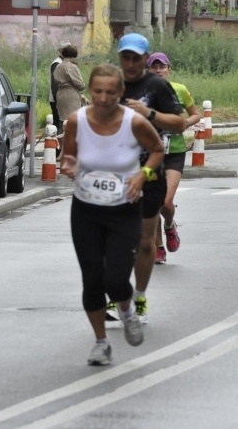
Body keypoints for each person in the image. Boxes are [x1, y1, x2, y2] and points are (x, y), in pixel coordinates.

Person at [59, 63, 165, 366]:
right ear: (89, 91)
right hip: (86, 210)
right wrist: (68, 165)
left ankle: (127, 311)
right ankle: (101, 342)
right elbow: (70, 156)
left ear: (120, 92)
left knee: (116, 278)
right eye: (97, 92)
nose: (103, 98)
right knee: (92, 280)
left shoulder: (134, 122)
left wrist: (142, 175)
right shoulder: (76, 120)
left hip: (124, 210)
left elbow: (157, 150)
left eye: (110, 92)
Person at [117, 33, 185, 324]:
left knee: (144, 243)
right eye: (126, 57)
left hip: (149, 174)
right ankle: (118, 297)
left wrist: (149, 112)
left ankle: (139, 297)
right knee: (117, 242)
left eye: (136, 58)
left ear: (146, 60)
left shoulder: (156, 85)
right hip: (114, 174)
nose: (131, 63)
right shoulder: (111, 83)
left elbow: (180, 122)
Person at [147, 52, 200, 265]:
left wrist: (184, 124)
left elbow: (195, 114)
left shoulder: (180, 89)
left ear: (169, 70)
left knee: (166, 202)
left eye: (162, 67)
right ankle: (158, 247)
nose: (158, 70)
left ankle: (170, 225)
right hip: (150, 152)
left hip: (174, 152)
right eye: (154, 67)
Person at [54, 44, 86, 123]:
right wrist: (83, 86)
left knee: (63, 120)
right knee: (73, 120)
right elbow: (79, 84)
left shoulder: (58, 66)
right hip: (71, 95)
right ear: (74, 55)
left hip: (60, 94)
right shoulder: (72, 67)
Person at [49, 40, 71, 131]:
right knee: (59, 124)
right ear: (62, 51)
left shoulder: (64, 62)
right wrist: (57, 100)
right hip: (57, 99)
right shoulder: (57, 63)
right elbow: (55, 84)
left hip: (62, 98)